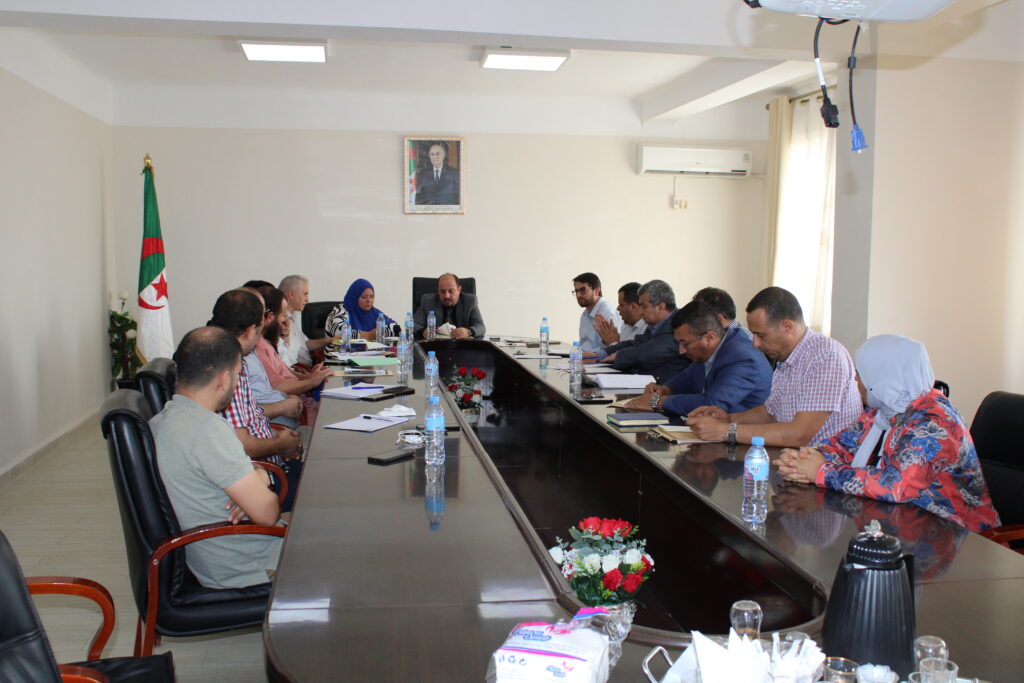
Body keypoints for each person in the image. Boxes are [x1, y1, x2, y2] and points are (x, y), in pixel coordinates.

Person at [776, 334, 1000, 533]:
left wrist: (821, 471)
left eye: (860, 374)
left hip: (958, 539)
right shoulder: (885, 408)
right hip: (904, 523)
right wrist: (806, 458)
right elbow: (843, 445)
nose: (856, 381)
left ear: (882, 378)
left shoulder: (936, 421)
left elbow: (894, 486)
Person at [150, 326, 282, 589]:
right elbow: (268, 514)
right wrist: (262, 479)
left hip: (218, 553)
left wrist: (256, 481)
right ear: (223, 378)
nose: (237, 383)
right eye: (237, 375)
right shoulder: (207, 429)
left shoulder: (161, 421)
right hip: (248, 562)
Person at [688, 286, 861, 447]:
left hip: (826, 463)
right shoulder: (786, 357)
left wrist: (725, 431)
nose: (755, 343)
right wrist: (728, 419)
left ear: (787, 327)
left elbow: (799, 434)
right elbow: (770, 413)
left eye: (760, 335)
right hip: (794, 458)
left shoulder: (826, 355)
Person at [210, 290, 303, 508]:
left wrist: (283, 438)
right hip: (264, 480)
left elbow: (248, 415)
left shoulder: (225, 356)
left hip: (269, 467)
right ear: (252, 330)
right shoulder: (226, 369)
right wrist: (280, 444)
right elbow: (242, 444)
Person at [625, 301, 772, 416]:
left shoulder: (742, 357)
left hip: (743, 438)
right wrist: (664, 389)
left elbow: (711, 404)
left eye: (685, 343)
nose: (681, 351)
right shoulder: (714, 347)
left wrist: (657, 401)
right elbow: (688, 377)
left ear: (709, 337)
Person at [252, 286, 332, 425]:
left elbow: (285, 371)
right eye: (283, 314)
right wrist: (311, 382)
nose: (286, 320)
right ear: (270, 317)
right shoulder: (258, 348)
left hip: (301, 402)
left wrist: (310, 377)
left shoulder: (266, 342)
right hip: (294, 413)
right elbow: (279, 386)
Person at [593, 279, 688, 383]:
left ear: (660, 307)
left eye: (644, 307)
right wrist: (604, 353)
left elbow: (649, 351)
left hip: (665, 387)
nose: (640, 312)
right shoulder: (656, 324)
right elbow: (636, 343)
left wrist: (618, 356)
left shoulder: (680, 323)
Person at [278, 274, 339, 366]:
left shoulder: (293, 316)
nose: (307, 299)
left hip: (309, 367)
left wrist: (329, 340)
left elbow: (304, 344)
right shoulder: (279, 322)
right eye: (305, 294)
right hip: (297, 370)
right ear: (291, 294)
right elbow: (286, 362)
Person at [413, 272, 486, 339]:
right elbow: (413, 324)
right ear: (438, 290)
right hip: (436, 345)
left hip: (462, 345)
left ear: (459, 289)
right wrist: (423, 331)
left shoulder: (469, 301)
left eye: (451, 291)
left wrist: (469, 332)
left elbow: (480, 327)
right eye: (442, 291)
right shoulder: (428, 301)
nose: (446, 296)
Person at [325, 279, 395, 339]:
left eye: (371, 297)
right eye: (364, 297)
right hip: (340, 350)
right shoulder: (339, 312)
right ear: (354, 297)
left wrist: (377, 333)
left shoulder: (374, 312)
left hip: (369, 350)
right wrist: (369, 335)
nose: (369, 301)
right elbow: (340, 333)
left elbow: (396, 327)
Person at [573, 272, 621, 352]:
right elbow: (583, 345)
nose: (578, 295)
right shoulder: (585, 314)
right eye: (576, 291)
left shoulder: (607, 312)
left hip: (600, 359)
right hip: (584, 357)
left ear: (597, 291)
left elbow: (615, 347)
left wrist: (592, 356)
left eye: (582, 290)